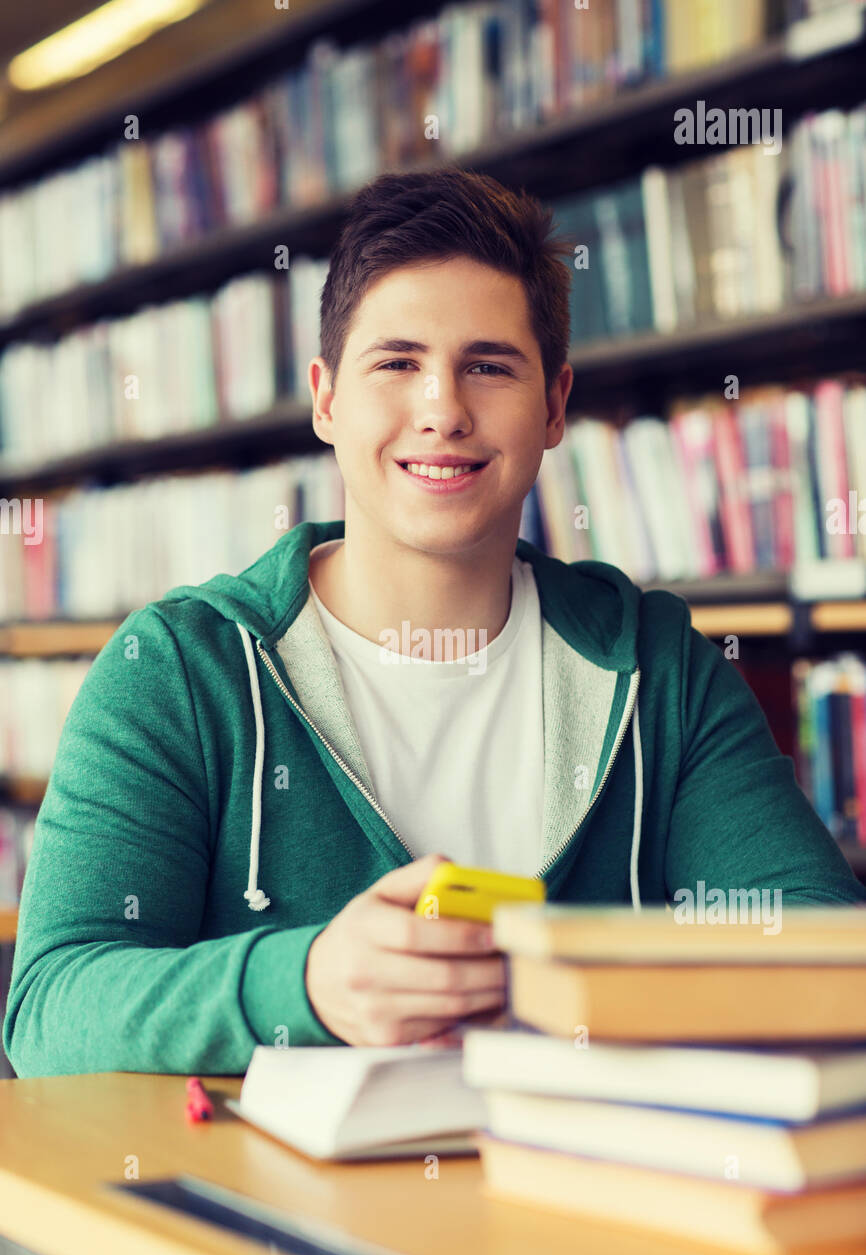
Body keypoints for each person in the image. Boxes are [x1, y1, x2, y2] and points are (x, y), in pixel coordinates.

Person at [5, 166, 864, 1078]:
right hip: (266, 1217)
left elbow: (819, 953)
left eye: (488, 367)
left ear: (556, 406)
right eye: (398, 363)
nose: (443, 410)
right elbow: (50, 1013)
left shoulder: (659, 667)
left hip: (582, 1201)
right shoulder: (179, 668)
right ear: (327, 399)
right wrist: (301, 986)